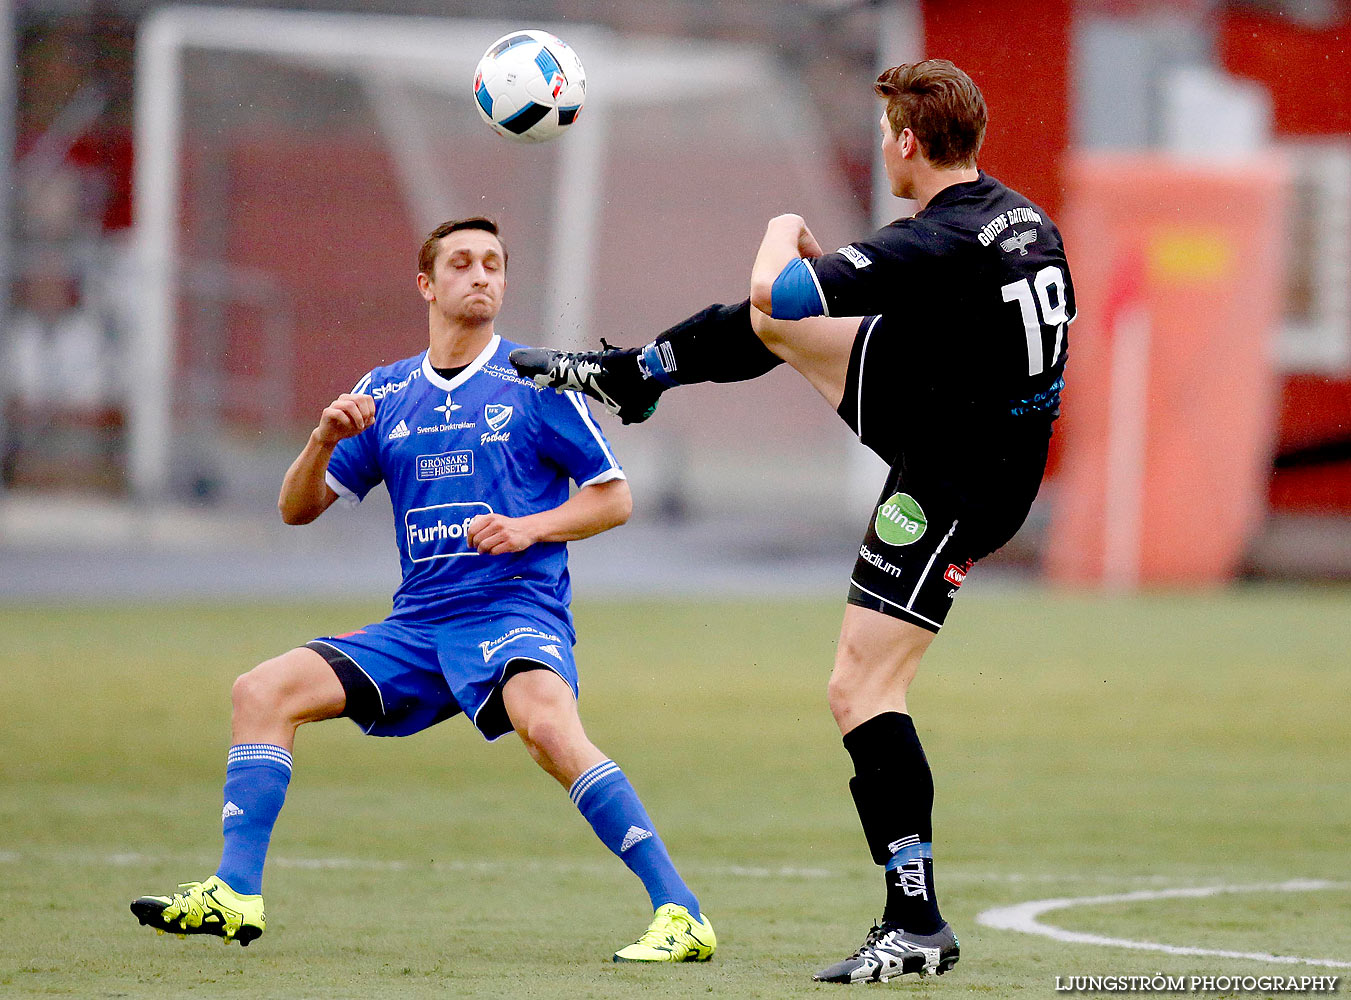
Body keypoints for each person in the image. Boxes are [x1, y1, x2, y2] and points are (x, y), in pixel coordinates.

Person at [511, 60, 1074, 984]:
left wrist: (780, 231)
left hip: (953, 477)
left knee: (860, 690)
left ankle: (915, 921)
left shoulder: (934, 243)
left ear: (904, 142)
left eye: (882, 129)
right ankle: (633, 376)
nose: (877, 144)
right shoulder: (1020, 216)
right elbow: (803, 315)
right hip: (962, 409)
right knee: (780, 332)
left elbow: (781, 288)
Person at [130, 217, 716, 964]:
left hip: (512, 611)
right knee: (261, 691)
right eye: (462, 263)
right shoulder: (385, 391)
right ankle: (234, 893)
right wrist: (320, 441)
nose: (481, 276)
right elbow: (295, 508)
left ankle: (680, 911)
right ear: (426, 284)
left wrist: (529, 527)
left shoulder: (535, 382)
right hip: (416, 627)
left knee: (546, 725)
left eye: (494, 265)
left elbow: (612, 498)